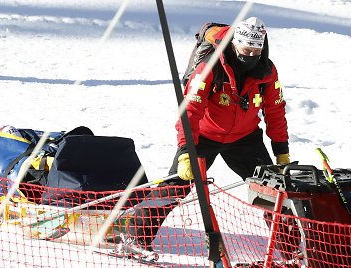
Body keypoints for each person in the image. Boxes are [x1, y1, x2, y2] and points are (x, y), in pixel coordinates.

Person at [119, 17, 290, 261]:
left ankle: (290, 247)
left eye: (256, 50)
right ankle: (135, 237)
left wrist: (281, 151)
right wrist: (186, 150)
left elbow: (275, 110)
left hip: (245, 138)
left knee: (273, 190)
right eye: (245, 49)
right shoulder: (210, 65)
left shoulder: (267, 70)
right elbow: (190, 111)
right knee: (176, 185)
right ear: (234, 45)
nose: (250, 55)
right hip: (203, 134)